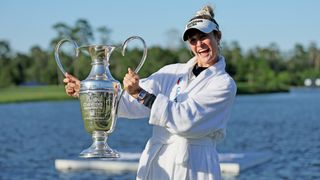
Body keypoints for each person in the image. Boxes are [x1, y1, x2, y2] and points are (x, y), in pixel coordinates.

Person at [64, 5, 236, 180]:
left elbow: (187, 120)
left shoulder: (223, 83)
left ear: (217, 36)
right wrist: (87, 91)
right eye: (193, 40)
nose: (199, 44)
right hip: (158, 164)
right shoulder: (172, 72)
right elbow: (128, 105)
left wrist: (140, 93)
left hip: (196, 167)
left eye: (203, 37)